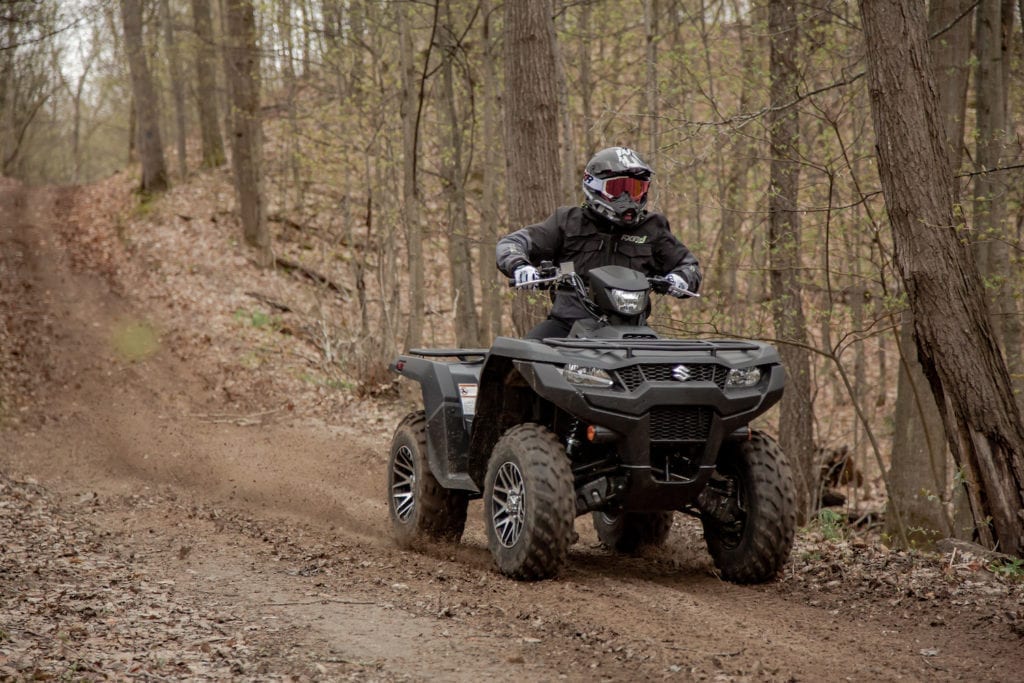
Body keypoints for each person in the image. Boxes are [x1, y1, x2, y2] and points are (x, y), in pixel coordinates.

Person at [496, 146, 702, 339]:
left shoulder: (652, 228)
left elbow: (689, 266)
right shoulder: (568, 222)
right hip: (568, 326)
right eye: (618, 189)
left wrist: (679, 279)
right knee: (523, 359)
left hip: (632, 328)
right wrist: (519, 266)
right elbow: (512, 243)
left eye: (636, 189)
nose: (628, 199)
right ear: (593, 185)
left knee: (669, 369)